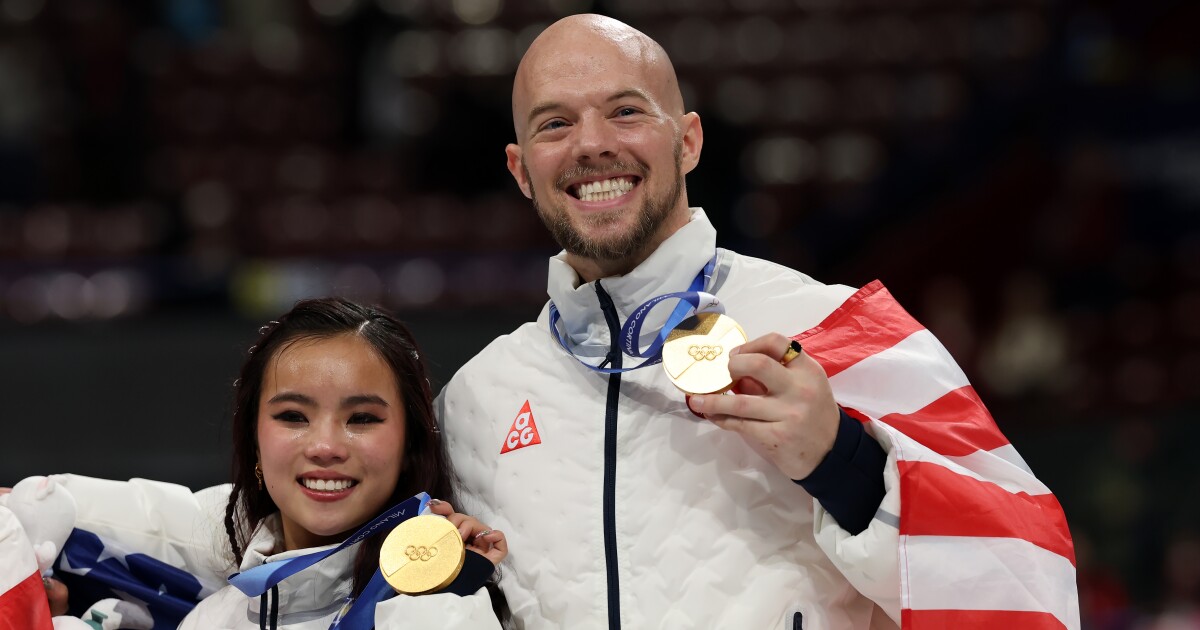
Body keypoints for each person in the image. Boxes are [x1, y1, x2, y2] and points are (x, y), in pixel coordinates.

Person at [436, 13, 1078, 630]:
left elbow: (1028, 580)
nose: (592, 143)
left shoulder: (839, 328)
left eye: (626, 111)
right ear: (521, 170)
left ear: (688, 141)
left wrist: (842, 462)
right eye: (555, 124)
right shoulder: (473, 404)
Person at [16, 298, 509, 629]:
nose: (325, 446)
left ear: (410, 442)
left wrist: (440, 580)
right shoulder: (216, 614)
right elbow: (153, 519)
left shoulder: (441, 606)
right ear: (254, 440)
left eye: (361, 418)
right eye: (293, 416)